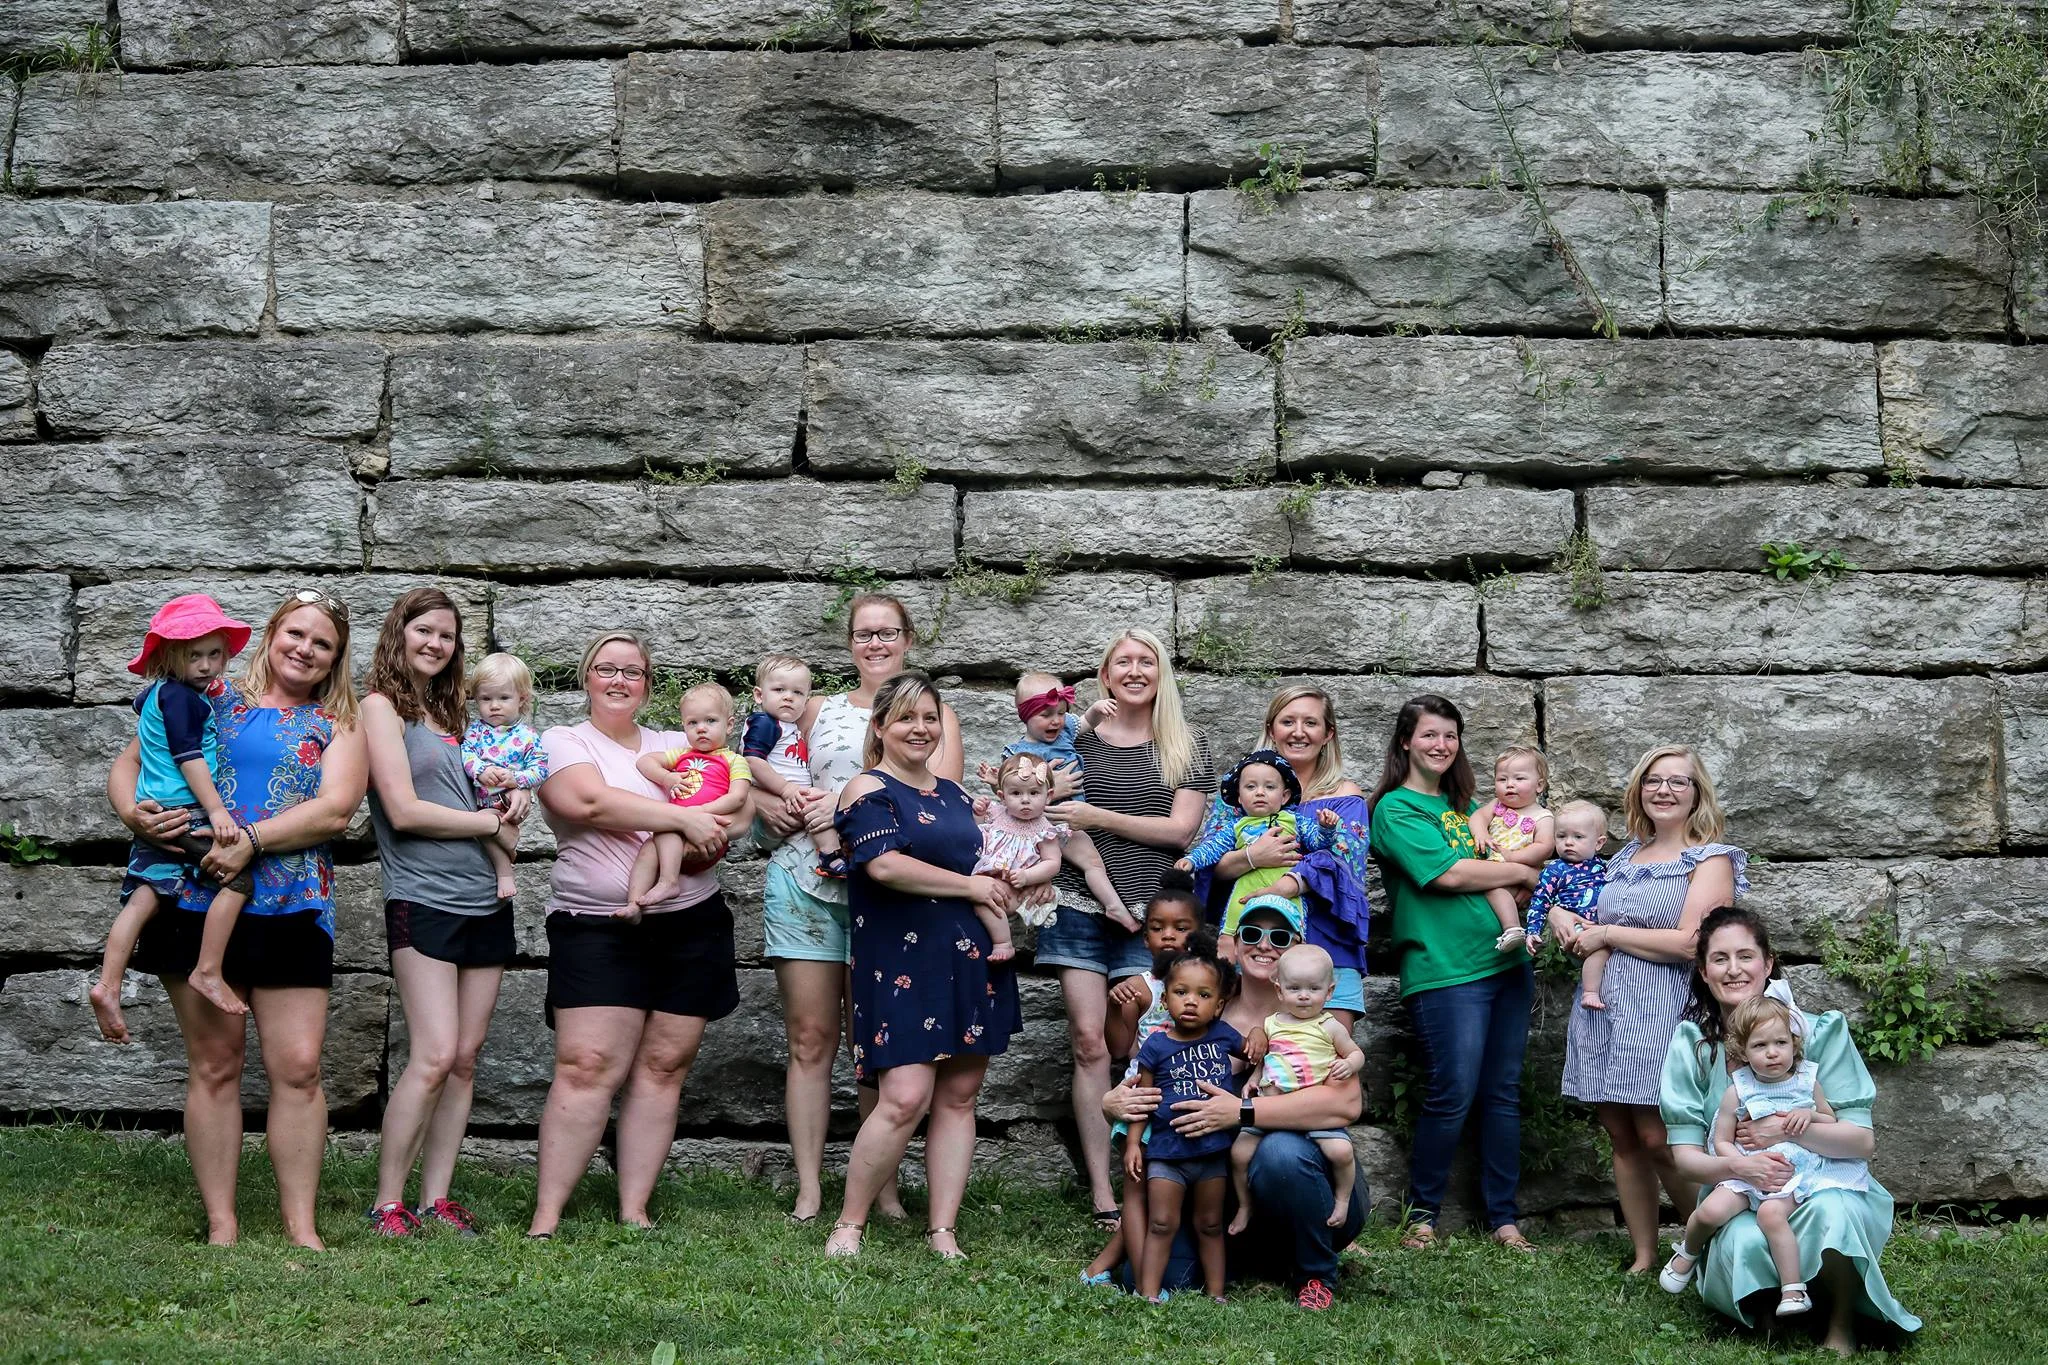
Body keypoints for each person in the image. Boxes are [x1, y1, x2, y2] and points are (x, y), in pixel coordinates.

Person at [111, 588, 366, 1248]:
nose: (305, 649)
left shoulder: (338, 721)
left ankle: (301, 1226)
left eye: (322, 643)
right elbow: (131, 763)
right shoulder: (209, 694)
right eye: (296, 633)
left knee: (300, 1067)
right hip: (195, 895)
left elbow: (336, 810)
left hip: (292, 901)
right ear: (272, 633)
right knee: (216, 1063)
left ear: (335, 658)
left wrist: (250, 840)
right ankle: (222, 1223)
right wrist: (133, 813)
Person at [754, 594, 961, 1224]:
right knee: (810, 1038)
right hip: (807, 884)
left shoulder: (934, 716)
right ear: (849, 643)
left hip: (892, 900)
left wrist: (847, 812)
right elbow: (754, 771)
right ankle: (810, 1186)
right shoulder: (814, 708)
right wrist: (775, 805)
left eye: (888, 632)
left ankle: (881, 1187)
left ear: (908, 639)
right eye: (864, 634)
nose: (876, 644)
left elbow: (940, 807)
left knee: (877, 1046)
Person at [525, 632, 738, 1239]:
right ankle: (547, 1215)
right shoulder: (563, 741)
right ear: (586, 677)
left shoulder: (677, 743)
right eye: (606, 669)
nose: (619, 681)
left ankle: (634, 1209)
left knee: (664, 1066)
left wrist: (718, 822)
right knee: (586, 1064)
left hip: (691, 920)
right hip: (597, 924)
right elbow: (588, 803)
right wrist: (683, 818)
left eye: (633, 671)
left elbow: (738, 807)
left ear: (647, 683)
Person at [822, 672, 1022, 1262]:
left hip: (968, 955)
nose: (921, 728)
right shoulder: (866, 788)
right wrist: (971, 886)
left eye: (930, 717)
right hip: (900, 961)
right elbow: (883, 865)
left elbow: (979, 863)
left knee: (959, 1097)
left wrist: (1005, 883)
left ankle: (943, 1231)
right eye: (907, 717)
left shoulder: (956, 795)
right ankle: (849, 1224)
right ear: (880, 726)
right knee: (904, 1097)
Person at [1660, 907, 1921, 1355]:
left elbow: (1861, 1142)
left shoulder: (1818, 1033)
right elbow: (1685, 1160)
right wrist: (1742, 1166)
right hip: (1742, 1185)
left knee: (1833, 1211)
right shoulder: (1693, 1046)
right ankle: (1763, 1307)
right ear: (1703, 972)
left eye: (1746, 956)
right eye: (1720, 959)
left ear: (1768, 964)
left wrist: (1781, 1131)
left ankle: (1840, 1322)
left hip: (1819, 1181)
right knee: (1744, 1234)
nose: (1734, 969)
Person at [1103, 896, 1368, 1311]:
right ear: (1235, 942)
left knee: (1280, 1153)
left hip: (1302, 1180)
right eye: (1252, 933)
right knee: (1147, 1276)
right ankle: (1250, 1260)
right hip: (1217, 1193)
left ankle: (1314, 1273)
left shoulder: (1313, 1017)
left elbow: (1347, 1103)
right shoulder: (1202, 1006)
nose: (1264, 945)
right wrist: (1112, 1103)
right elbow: (1146, 1069)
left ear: (1297, 946)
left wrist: (1241, 1112)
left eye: (1279, 937)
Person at [1038, 627, 1216, 1229]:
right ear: (1105, 674)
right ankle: (1102, 1193)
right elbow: (1041, 803)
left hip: (1155, 918)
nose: (1135, 671)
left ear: (1161, 674)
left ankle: (1151, 1177)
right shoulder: (1079, 739)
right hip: (1079, 907)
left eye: (1147, 661)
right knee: (1090, 1043)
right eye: (1123, 662)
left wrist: (1095, 814)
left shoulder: (1187, 744)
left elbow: (1180, 832)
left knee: (1148, 1045)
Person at [363, 588, 525, 1237]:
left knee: (463, 1057)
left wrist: (513, 798)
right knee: (432, 1053)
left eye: (447, 635)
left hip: (486, 896)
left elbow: (493, 785)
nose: (435, 643)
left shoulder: (458, 712)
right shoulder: (380, 708)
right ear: (399, 632)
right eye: (424, 630)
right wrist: (488, 821)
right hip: (422, 896)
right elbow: (402, 810)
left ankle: (436, 1199)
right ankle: (387, 1203)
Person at [1558, 744, 1746, 1274]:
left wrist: (1607, 934)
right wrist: (1563, 920)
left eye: (1677, 781)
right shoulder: (1624, 858)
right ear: (1638, 790)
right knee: (1621, 1135)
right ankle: (1643, 1254)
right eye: (1653, 780)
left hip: (1664, 1007)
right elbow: (1583, 913)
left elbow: (1693, 942)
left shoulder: (1710, 859)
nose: (1663, 790)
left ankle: (1709, 1245)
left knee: (1661, 1138)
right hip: (1604, 1007)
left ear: (1696, 794)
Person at [1367, 694, 1539, 1252]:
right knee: (1452, 1091)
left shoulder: (1469, 809)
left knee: (1502, 1095)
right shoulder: (1394, 809)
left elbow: (1501, 858)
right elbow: (1447, 875)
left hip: (1506, 963)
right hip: (1444, 969)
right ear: (1405, 742)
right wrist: (1522, 873)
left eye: (1450, 735)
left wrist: (1515, 869)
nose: (1440, 745)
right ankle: (1422, 1216)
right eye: (1429, 734)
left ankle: (1504, 1220)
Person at [94, 594, 256, 1037]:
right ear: (169, 657)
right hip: (183, 813)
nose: (205, 666)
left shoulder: (156, 695)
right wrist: (217, 810)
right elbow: (188, 757)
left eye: (214, 654)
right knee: (239, 881)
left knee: (145, 896)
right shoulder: (184, 699)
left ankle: (108, 985)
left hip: (156, 812)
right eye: (193, 656)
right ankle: (208, 970)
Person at [1660, 994, 1870, 1317]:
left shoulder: (1808, 1083)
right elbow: (1721, 1140)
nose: (1772, 1052)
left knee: (1770, 1216)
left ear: (1794, 1045)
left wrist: (1809, 1116)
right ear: (1743, 1051)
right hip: (1746, 1172)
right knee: (1710, 1212)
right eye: (1760, 1046)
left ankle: (1793, 1290)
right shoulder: (1738, 1091)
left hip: (1792, 1174)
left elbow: (1830, 1120)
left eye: (1780, 1043)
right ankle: (1688, 1252)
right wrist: (1743, 1166)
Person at [1193, 684, 1372, 1029]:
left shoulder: (1345, 795)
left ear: (1328, 734)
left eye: (1310, 723)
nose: (1298, 732)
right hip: (1255, 944)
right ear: (1271, 729)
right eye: (1288, 721)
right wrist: (1254, 857)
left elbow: (1343, 864)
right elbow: (1211, 865)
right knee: (1244, 1051)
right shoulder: (1243, 790)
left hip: (1326, 945)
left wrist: (1285, 885)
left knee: (1323, 1053)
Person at [1080, 874, 1204, 1286]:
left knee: (1165, 1191)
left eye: (1181, 928)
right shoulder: (1139, 988)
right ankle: (1141, 1278)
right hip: (1142, 1103)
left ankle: (1103, 1267)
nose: (1168, 936)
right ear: (1145, 936)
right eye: (1157, 927)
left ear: (1198, 934)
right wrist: (1116, 1007)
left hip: (1187, 1103)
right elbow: (1118, 1048)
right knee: (1136, 1192)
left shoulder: (1208, 984)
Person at [1129, 944, 1243, 1304]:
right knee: (1161, 1223)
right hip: (1167, 1154)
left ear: (1219, 1005)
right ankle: (1148, 1294)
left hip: (1212, 1153)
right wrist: (1133, 1144)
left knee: (1210, 1224)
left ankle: (1217, 1294)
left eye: (1203, 995)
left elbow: (1258, 1052)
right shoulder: (1155, 1047)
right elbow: (1143, 1102)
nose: (1191, 1001)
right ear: (1165, 1000)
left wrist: (1258, 1035)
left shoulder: (1224, 1035)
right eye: (1181, 992)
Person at [1229, 943, 1363, 1236]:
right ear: (1280, 991)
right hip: (1268, 1108)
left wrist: (1349, 1064)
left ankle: (1342, 1201)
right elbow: (1269, 1059)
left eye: (1313, 989)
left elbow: (1356, 1053)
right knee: (1239, 1154)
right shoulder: (1272, 1024)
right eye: (1294, 988)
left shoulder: (1329, 1027)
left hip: (1311, 1114)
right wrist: (1254, 1078)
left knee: (1341, 1151)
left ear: (1329, 992)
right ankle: (1245, 1205)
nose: (1304, 995)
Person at [979, 671, 1127, 925]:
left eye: (1060, 713)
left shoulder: (1065, 731)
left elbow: (1086, 722)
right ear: (1026, 716)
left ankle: (1114, 907)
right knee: (1032, 866)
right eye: (1046, 715)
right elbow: (1010, 793)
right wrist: (996, 783)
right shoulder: (1016, 754)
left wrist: (1096, 709)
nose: (1055, 721)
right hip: (1038, 826)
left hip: (1070, 821)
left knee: (1092, 862)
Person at [1176, 748, 1338, 936]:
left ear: (1284, 796)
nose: (1260, 792)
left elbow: (1319, 844)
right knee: (1232, 930)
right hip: (1246, 890)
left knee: (1291, 931)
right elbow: (1212, 848)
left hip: (1286, 889)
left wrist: (1325, 828)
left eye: (1269, 787)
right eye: (1251, 787)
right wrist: (1192, 860)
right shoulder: (1235, 827)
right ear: (1239, 797)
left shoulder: (1296, 821)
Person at [629, 682, 753, 911]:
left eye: (710, 721)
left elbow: (738, 797)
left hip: (708, 829)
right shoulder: (682, 755)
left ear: (729, 725)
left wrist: (700, 812)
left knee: (664, 829)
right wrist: (667, 777)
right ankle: (634, 904)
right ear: (684, 726)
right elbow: (645, 762)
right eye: (692, 723)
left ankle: (668, 881)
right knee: (649, 847)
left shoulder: (734, 760)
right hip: (677, 826)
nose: (701, 728)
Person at [740, 653, 844, 878]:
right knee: (816, 808)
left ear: (806, 702)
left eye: (797, 692)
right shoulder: (765, 723)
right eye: (779, 690)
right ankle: (830, 855)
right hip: (781, 793)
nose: (788, 697)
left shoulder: (789, 726)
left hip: (792, 794)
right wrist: (786, 789)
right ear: (759, 695)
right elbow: (752, 760)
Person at [461, 651, 550, 901]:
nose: (494, 705)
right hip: (482, 799)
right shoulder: (476, 731)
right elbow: (466, 754)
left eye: (503, 697)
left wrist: (516, 780)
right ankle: (506, 857)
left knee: (482, 824)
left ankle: (504, 873)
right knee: (483, 825)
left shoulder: (528, 736)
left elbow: (540, 768)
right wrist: (481, 770)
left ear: (521, 699)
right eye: (485, 698)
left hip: (508, 803)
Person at [969, 752, 1066, 955]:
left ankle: (1003, 943)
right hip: (986, 877)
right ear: (1002, 797)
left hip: (1016, 886)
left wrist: (1027, 876)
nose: (1025, 800)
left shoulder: (1044, 830)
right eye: (1016, 793)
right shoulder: (996, 813)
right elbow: (978, 835)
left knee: (985, 902)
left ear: (1048, 796)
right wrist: (978, 814)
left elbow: (1052, 863)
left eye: (1034, 793)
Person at [1524, 799, 1611, 1008]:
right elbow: (1540, 900)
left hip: (1599, 925)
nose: (1568, 842)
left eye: (1578, 837)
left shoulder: (1604, 867)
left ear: (1599, 843)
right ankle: (1590, 992)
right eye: (1561, 836)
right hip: (1575, 927)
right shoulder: (1555, 870)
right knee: (1600, 950)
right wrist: (1532, 931)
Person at [1470, 746, 1555, 954]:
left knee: (1495, 889)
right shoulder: (1497, 805)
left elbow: (1544, 847)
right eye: (1502, 779)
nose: (1510, 784)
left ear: (1539, 785)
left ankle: (1513, 928)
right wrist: (1481, 833)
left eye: (1519, 778)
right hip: (1494, 867)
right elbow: (1478, 817)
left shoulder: (1542, 817)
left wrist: (1513, 857)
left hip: (1516, 874)